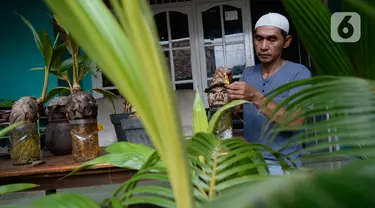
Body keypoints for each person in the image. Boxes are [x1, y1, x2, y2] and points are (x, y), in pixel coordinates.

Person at [214, 12, 312, 174]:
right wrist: (226, 87)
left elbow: (295, 122)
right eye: (259, 39)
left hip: (283, 165)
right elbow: (236, 111)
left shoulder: (299, 73)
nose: (263, 46)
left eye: (272, 39)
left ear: (286, 42)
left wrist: (255, 96)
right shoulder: (248, 73)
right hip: (250, 162)